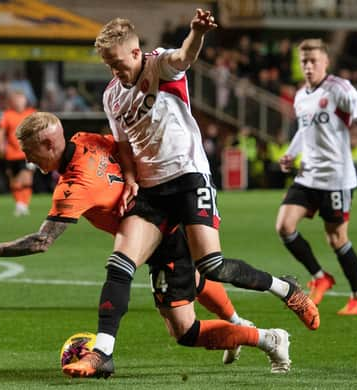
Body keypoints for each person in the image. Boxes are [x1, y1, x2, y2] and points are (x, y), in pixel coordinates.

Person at [64, 9, 319, 378]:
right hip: (151, 192)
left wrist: (197, 33)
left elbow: (185, 56)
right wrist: (132, 179)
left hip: (188, 178)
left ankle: (285, 288)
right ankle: (103, 352)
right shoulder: (112, 97)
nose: (114, 72)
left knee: (211, 266)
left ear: (136, 53)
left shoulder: (159, 66)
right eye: (108, 66)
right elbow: (123, 146)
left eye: (118, 64)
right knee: (119, 263)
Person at [0, 112, 291, 378]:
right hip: (160, 218)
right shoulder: (86, 140)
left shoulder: (73, 186)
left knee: (181, 325)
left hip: (158, 233)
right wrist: (130, 179)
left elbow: (43, 240)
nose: (29, 161)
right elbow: (124, 146)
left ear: (47, 143)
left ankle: (267, 336)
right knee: (196, 280)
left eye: (30, 153)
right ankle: (244, 323)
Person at [276, 39, 357, 315]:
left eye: (314, 60)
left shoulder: (340, 89)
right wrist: (291, 154)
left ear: (326, 62)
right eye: (304, 61)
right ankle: (320, 276)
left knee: (336, 239)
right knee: (284, 226)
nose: (309, 66)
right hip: (308, 176)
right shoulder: (301, 95)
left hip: (336, 178)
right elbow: (305, 131)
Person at [0, 90, 36, 216]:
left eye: (21, 99)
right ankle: (19, 203)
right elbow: (0, 132)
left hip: (28, 153)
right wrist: (0, 144)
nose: (19, 102)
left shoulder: (32, 113)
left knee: (26, 178)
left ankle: (24, 203)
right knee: (14, 181)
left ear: (25, 100)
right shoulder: (7, 114)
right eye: (16, 99)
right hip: (11, 153)